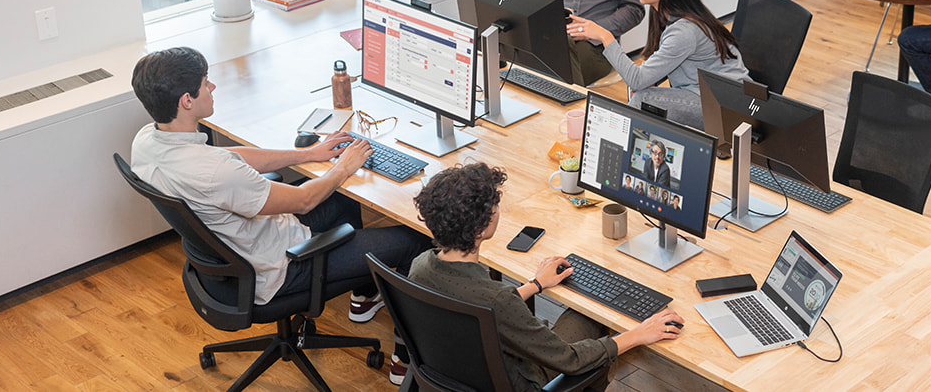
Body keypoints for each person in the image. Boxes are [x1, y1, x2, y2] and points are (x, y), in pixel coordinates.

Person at [127, 47, 432, 321]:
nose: (212, 87)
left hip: (240, 248)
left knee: (344, 198)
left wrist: (307, 154)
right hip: (280, 268)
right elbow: (303, 201)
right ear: (187, 101)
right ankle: (405, 355)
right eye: (205, 83)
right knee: (415, 239)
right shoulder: (216, 172)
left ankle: (364, 297)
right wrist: (343, 167)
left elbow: (229, 155)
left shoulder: (147, 140)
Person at [408, 163, 684, 392]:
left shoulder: (420, 267)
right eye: (495, 208)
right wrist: (638, 334)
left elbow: (474, 301)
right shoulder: (499, 300)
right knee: (592, 317)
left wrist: (535, 285)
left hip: (461, 373)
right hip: (520, 381)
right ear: (481, 228)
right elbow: (570, 360)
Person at [568, 0, 752, 127]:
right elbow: (654, 71)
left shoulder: (684, 31)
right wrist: (651, 80)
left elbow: (636, 80)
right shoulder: (671, 16)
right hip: (708, 95)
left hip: (726, 107)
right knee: (642, 93)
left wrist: (604, 35)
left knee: (643, 98)